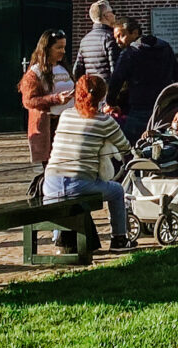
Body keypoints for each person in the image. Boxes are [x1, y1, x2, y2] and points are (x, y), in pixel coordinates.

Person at [43, 74, 132, 251]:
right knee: (116, 190)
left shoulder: (66, 115)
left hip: (50, 182)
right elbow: (125, 147)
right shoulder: (105, 121)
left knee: (60, 197)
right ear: (102, 97)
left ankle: (58, 237)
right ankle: (119, 239)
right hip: (79, 183)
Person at [111, 16, 178, 141]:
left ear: (134, 33)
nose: (118, 41)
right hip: (163, 106)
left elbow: (116, 81)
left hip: (139, 108)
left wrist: (111, 102)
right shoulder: (165, 47)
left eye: (121, 36)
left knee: (131, 146)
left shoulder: (130, 53)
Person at [21, 31, 73, 182]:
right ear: (47, 48)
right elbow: (29, 100)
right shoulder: (35, 73)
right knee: (53, 168)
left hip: (67, 121)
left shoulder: (64, 68)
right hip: (49, 124)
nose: (63, 51)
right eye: (59, 48)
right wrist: (56, 99)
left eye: (64, 47)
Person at [76, 0, 121, 83]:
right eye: (113, 12)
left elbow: (78, 70)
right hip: (106, 89)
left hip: (90, 90)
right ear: (106, 15)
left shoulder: (84, 40)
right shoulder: (111, 38)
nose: (115, 15)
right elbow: (116, 71)